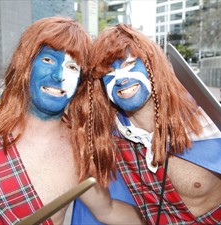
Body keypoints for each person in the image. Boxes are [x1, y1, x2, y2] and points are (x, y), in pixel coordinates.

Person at [0, 17, 144, 225]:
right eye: (48, 60)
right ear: (26, 66)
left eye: (73, 67)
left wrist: (168, 217)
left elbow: (107, 210)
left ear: (81, 83)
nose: (59, 76)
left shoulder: (80, 149)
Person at [72, 24, 221, 224]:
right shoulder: (108, 138)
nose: (121, 79)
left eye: (131, 63)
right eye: (109, 72)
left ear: (152, 65)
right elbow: (111, 211)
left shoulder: (204, 121)